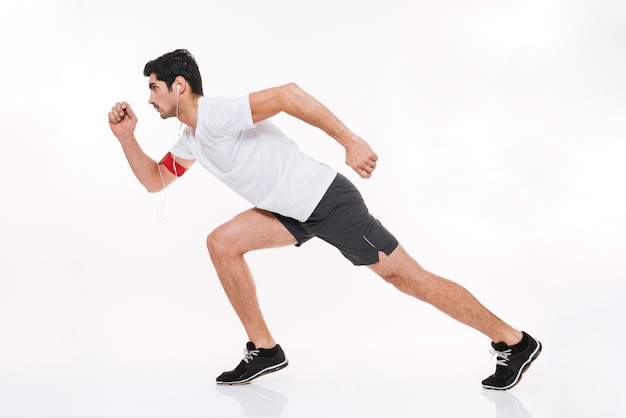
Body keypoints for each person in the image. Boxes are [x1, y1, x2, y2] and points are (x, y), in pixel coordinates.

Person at [108, 49, 541, 389]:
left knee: (408, 278)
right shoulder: (192, 139)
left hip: (328, 202)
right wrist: (128, 138)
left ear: (179, 85)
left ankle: (514, 341)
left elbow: (289, 94)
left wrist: (350, 142)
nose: (150, 98)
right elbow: (155, 181)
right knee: (222, 243)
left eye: (155, 88)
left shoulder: (217, 114)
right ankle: (265, 349)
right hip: (290, 213)